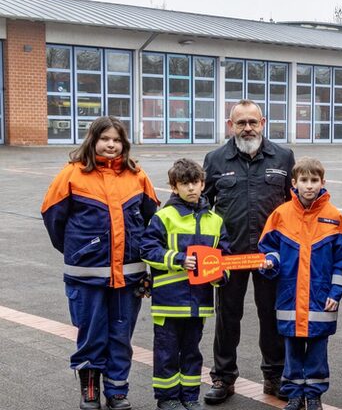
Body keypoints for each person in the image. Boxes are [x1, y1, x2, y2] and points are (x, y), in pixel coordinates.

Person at [41, 116, 160, 410]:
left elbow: (154, 222)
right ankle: (90, 389)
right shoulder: (71, 175)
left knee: (121, 336)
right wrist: (78, 250)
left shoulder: (137, 176)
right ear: (92, 140)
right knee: (91, 334)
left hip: (129, 277)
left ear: (124, 144)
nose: (111, 144)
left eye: (117, 140)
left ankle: (117, 390)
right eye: (105, 139)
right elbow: (53, 219)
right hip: (86, 276)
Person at [202, 100, 296, 404]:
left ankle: (275, 376)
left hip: (271, 256)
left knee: (272, 315)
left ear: (263, 123)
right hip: (230, 255)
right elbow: (201, 206)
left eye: (252, 122)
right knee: (227, 317)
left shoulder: (283, 157)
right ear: (231, 125)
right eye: (240, 123)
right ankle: (223, 377)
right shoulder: (215, 160)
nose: (247, 128)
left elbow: (294, 205)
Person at [258, 157, 342, 410]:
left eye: (314, 180)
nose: (309, 185)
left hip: (321, 298)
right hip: (290, 297)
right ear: (294, 183)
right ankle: (294, 394)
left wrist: (336, 292)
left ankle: (314, 395)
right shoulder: (281, 215)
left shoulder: (334, 217)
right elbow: (268, 248)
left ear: (323, 182)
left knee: (317, 349)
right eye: (304, 180)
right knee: (291, 349)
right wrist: (270, 261)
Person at [141, 158, 230, 410]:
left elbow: (225, 257)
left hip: (198, 303)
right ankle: (167, 398)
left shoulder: (215, 220)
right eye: (184, 183)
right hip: (168, 302)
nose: (191, 188)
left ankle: (190, 396)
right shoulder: (164, 217)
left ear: (203, 184)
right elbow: (147, 249)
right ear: (174, 186)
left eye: (195, 182)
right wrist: (179, 259)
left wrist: (220, 276)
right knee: (166, 353)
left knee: (192, 352)